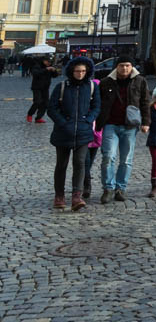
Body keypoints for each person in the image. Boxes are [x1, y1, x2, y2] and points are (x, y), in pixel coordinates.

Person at [47, 57, 100, 210]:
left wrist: (88, 120)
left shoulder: (91, 87)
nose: (80, 74)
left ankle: (77, 195)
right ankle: (59, 195)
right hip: (63, 133)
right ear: (72, 71)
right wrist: (63, 123)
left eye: (83, 71)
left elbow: (96, 107)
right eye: (77, 71)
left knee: (80, 163)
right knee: (61, 165)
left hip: (83, 132)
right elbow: (52, 108)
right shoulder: (62, 86)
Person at [96, 57, 150, 204]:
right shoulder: (106, 82)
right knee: (108, 157)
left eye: (127, 65)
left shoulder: (140, 81)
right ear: (116, 67)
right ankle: (108, 188)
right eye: (121, 65)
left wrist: (146, 122)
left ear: (132, 66)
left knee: (126, 160)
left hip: (130, 126)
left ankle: (120, 188)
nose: (125, 68)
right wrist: (97, 121)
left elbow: (145, 102)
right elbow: (98, 102)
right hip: (110, 124)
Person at [82, 75, 103, 200]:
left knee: (88, 162)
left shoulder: (100, 105)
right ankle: (86, 184)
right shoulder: (84, 103)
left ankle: (83, 179)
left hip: (96, 136)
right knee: (85, 161)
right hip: (84, 135)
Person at [26, 55, 57, 123]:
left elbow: (55, 76)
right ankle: (30, 114)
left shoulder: (50, 66)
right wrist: (46, 69)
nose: (49, 63)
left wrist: (54, 71)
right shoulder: (37, 66)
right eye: (47, 62)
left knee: (45, 103)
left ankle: (38, 118)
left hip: (45, 88)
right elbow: (35, 73)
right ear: (44, 61)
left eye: (50, 62)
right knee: (37, 102)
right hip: (37, 87)